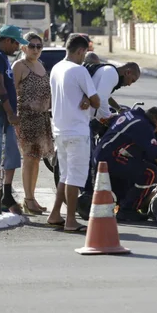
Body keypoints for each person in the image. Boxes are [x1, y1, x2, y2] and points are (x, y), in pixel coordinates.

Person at [47, 34, 100, 232]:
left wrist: (85, 96)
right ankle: (70, 220)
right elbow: (97, 101)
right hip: (77, 131)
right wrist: (88, 96)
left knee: (65, 175)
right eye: (84, 53)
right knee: (75, 178)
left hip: (59, 129)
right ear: (80, 51)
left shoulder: (56, 68)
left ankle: (55, 214)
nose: (84, 57)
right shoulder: (79, 70)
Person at [93, 106, 157, 222]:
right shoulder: (143, 126)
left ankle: (123, 199)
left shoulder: (132, 114)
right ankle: (128, 209)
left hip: (103, 152)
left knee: (139, 163)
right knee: (150, 172)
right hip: (109, 157)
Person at [80, 59, 141, 196]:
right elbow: (101, 98)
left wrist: (118, 109)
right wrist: (107, 118)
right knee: (90, 158)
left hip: (86, 116)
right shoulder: (112, 74)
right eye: (132, 80)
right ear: (128, 72)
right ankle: (87, 195)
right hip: (86, 118)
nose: (130, 84)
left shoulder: (109, 72)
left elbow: (106, 96)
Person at [0, 27, 26, 214]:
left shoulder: (1, 56)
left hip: (4, 115)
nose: (17, 47)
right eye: (16, 43)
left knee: (9, 155)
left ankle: (4, 194)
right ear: (7, 40)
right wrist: (9, 112)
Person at [12, 32, 54, 214]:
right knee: (29, 158)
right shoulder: (19, 66)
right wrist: (14, 119)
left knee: (36, 159)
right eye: (32, 46)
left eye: (39, 46)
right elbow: (12, 93)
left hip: (42, 119)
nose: (36, 49)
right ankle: (28, 199)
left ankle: (32, 197)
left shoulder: (41, 65)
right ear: (23, 47)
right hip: (26, 119)